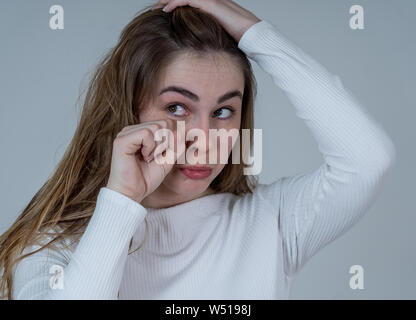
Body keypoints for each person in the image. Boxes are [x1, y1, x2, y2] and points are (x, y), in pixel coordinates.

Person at [0, 0, 396, 300]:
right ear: (128, 110)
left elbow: (369, 160)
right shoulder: (51, 248)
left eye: (223, 111)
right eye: (177, 108)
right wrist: (121, 201)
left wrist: (254, 33)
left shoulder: (272, 222)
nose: (204, 138)